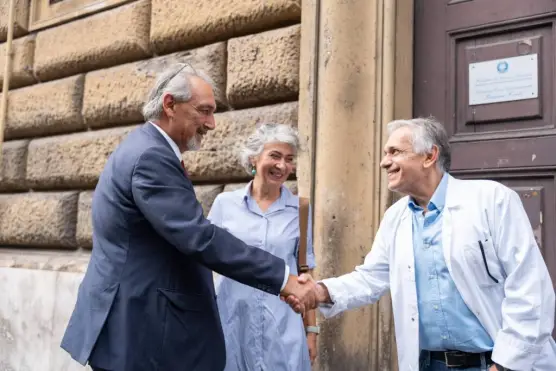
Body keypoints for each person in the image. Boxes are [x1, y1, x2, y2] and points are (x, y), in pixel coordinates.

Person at [59, 64, 317, 371]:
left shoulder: (146, 148)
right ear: (170, 105)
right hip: (141, 331)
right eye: (204, 111)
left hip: (142, 327)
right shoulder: (151, 157)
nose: (212, 123)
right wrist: (282, 277)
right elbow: (199, 237)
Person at [285, 117, 556, 371]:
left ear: (429, 156)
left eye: (394, 152)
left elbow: (530, 287)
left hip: (494, 361)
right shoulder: (396, 217)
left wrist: (506, 364)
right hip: (428, 364)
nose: (384, 162)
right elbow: (371, 278)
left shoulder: (492, 200)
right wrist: (320, 292)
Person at [208, 123, 318, 371]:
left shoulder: (299, 210)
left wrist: (311, 331)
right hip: (232, 321)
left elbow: (305, 273)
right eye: (275, 156)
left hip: (282, 326)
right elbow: (205, 259)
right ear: (254, 158)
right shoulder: (224, 205)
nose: (282, 166)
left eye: (289, 159)